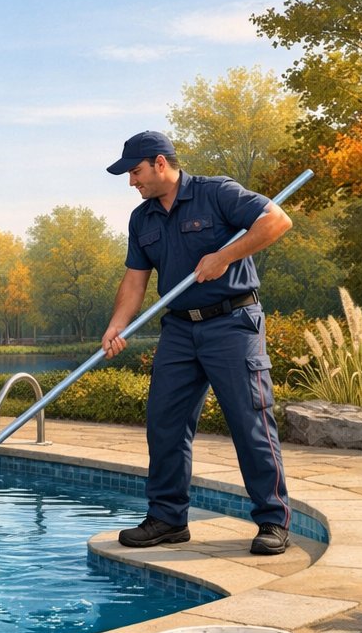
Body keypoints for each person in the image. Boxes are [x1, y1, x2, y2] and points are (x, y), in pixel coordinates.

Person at [100, 131, 295, 556]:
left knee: (250, 421)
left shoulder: (216, 193)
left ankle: (272, 519)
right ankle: (168, 518)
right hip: (179, 330)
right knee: (164, 423)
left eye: (135, 172)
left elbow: (277, 221)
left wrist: (225, 256)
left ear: (160, 163)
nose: (132, 182)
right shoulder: (142, 219)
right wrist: (117, 325)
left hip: (233, 323)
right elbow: (135, 280)